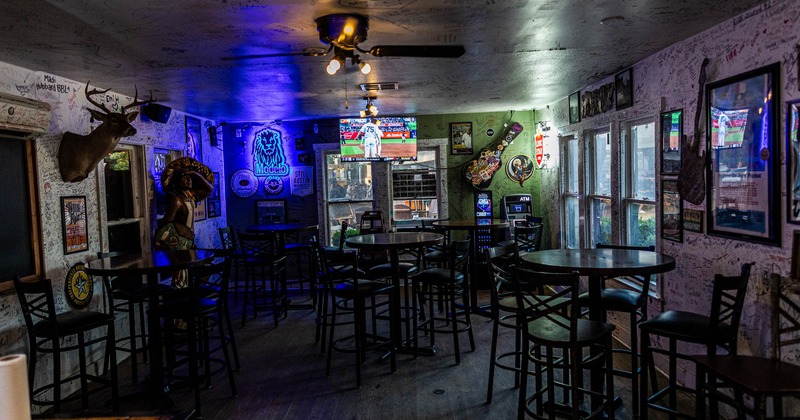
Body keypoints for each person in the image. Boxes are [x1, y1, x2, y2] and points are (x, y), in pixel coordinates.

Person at [155, 157, 213, 288]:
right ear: (177, 180)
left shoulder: (190, 195)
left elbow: (209, 188)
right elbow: (167, 224)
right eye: (185, 177)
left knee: (204, 269)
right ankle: (182, 301)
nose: (189, 180)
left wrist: (196, 174)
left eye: (190, 178)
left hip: (190, 242)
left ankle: (194, 296)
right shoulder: (177, 200)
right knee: (181, 275)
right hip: (180, 243)